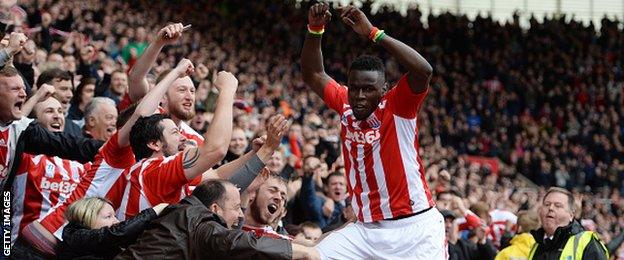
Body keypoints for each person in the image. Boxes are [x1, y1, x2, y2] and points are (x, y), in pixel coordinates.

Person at [300, 4, 443, 259]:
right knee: (311, 256)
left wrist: (374, 33)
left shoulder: (398, 105)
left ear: (384, 88)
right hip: (367, 230)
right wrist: (315, 29)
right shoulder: (344, 101)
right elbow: (313, 73)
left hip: (415, 228)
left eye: (368, 89)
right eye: (354, 88)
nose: (360, 96)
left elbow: (424, 70)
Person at [116, 180, 320, 260]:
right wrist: (301, 252)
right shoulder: (199, 223)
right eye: (235, 208)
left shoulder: (184, 213)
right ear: (214, 209)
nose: (240, 215)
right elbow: (236, 242)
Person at [57, 197, 168, 259]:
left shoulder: (106, 245)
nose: (116, 221)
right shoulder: (75, 237)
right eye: (108, 216)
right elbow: (116, 233)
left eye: (115, 216)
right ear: (87, 217)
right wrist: (154, 211)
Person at [528, 187, 609, 260]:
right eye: (547, 204)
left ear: (571, 215)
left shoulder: (587, 243)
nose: (551, 208)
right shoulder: (535, 246)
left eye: (558, 205)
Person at [300, 156, 347, 229]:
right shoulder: (322, 203)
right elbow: (309, 196)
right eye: (334, 184)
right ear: (326, 188)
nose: (338, 187)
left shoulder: (350, 205)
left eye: (341, 184)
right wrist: (308, 175)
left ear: (346, 188)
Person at [242, 173, 292, 240]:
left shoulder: (283, 242)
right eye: (272, 191)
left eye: (283, 197)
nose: (279, 198)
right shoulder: (227, 231)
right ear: (252, 193)